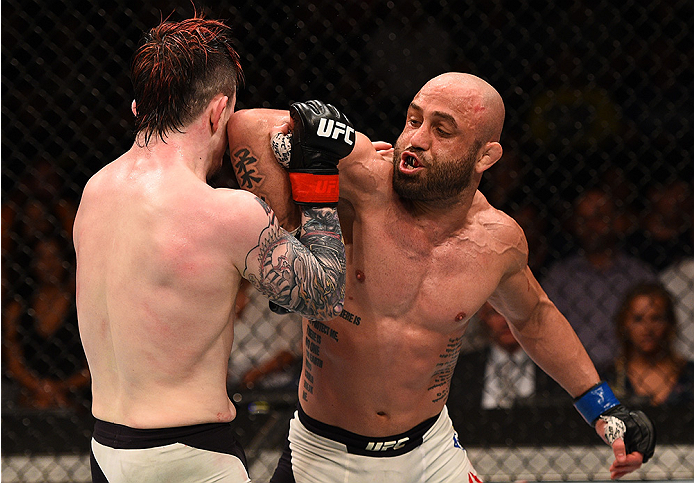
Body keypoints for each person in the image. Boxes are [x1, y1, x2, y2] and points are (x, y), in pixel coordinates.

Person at [227, 72, 655, 482]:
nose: (416, 139)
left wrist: (604, 409)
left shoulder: (497, 242)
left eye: (442, 130)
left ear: (485, 156)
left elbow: (533, 318)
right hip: (324, 455)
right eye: (413, 120)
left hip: (432, 454)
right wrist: (285, 240)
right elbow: (247, 125)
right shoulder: (363, 181)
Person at [73, 15, 351, 483]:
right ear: (219, 111)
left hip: (107, 449)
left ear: (138, 107)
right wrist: (318, 177)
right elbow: (325, 296)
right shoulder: (225, 213)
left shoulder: (93, 193)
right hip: (189, 457)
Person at [541, 188, 658, 372]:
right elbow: (544, 332)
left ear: (616, 220)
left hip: (632, 374)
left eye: (599, 217)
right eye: (583, 219)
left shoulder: (639, 275)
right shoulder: (559, 276)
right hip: (570, 374)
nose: (591, 225)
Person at [2, 236, 89, 410]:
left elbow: (93, 368)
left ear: (65, 261)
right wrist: (39, 388)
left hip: (74, 392)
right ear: (33, 263)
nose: (49, 264)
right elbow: (13, 360)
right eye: (42, 257)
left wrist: (62, 387)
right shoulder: (17, 308)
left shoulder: (83, 307)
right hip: (28, 391)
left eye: (54, 257)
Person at [453, 302, 565, 410]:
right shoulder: (462, 368)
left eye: (513, 313)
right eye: (496, 312)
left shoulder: (552, 368)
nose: (505, 322)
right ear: (483, 317)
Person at [604, 282, 694, 406]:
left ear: (669, 322)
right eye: (638, 319)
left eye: (656, 318)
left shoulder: (689, 374)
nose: (647, 329)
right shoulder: (609, 378)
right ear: (624, 323)